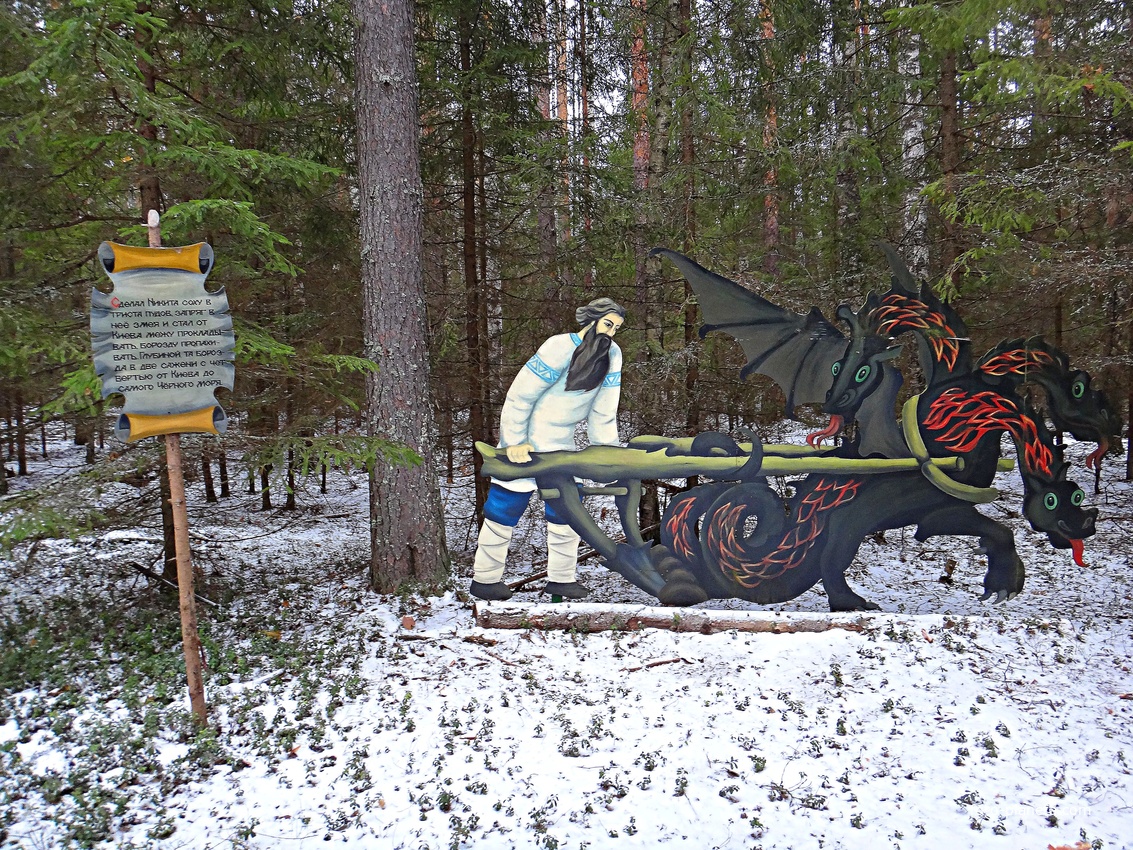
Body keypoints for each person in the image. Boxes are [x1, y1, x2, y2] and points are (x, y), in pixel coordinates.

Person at [470, 297, 626, 601]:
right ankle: (485, 580)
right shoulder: (557, 347)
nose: (611, 334)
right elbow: (520, 397)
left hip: (564, 450)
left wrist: (607, 451)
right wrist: (514, 442)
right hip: (526, 444)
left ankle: (562, 579)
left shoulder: (613, 355)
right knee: (504, 508)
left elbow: (604, 410)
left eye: (617, 328)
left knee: (567, 511)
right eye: (608, 324)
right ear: (591, 321)